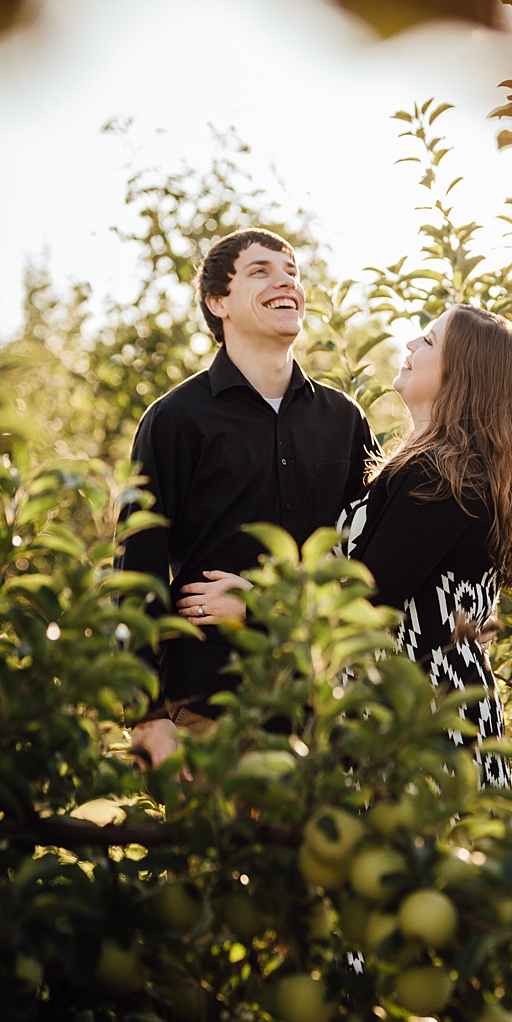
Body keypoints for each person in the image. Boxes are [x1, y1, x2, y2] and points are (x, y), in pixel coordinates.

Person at [119, 228, 378, 766]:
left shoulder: (343, 420)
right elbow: (137, 567)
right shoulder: (175, 419)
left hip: (326, 703)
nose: (286, 281)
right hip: (210, 702)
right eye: (260, 271)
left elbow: (370, 554)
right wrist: (145, 713)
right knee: (221, 851)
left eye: (293, 272)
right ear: (219, 303)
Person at [340, 303, 512, 786]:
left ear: (463, 377)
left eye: (430, 340)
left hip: (422, 717)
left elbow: (366, 598)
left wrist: (253, 606)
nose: (411, 345)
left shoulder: (441, 478)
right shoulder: (449, 472)